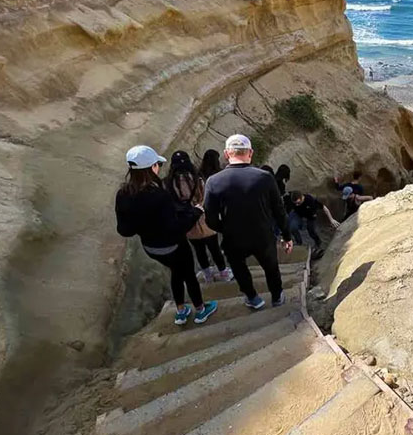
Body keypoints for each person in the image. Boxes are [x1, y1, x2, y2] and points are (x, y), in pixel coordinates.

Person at [115, 145, 218, 325]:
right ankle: (201, 309)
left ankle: (180, 311)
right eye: (157, 164)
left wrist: (143, 223)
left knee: (176, 273)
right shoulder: (159, 196)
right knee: (188, 275)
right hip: (174, 245)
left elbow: (124, 230)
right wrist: (195, 212)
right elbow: (176, 228)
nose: (159, 168)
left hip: (151, 248)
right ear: (151, 168)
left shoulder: (123, 194)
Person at [203, 135, 293, 310]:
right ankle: (277, 297)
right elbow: (279, 211)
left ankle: (253, 298)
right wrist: (286, 236)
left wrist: (226, 229)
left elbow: (210, 219)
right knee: (271, 267)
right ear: (250, 153)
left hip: (234, 238)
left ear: (226, 154)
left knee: (239, 268)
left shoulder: (213, 182)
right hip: (263, 235)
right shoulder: (265, 178)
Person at [165, 150, 232, 284]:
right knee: (214, 249)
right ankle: (224, 272)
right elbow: (206, 198)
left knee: (199, 251)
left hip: (188, 223)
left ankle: (207, 276)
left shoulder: (169, 184)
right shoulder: (197, 178)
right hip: (205, 220)